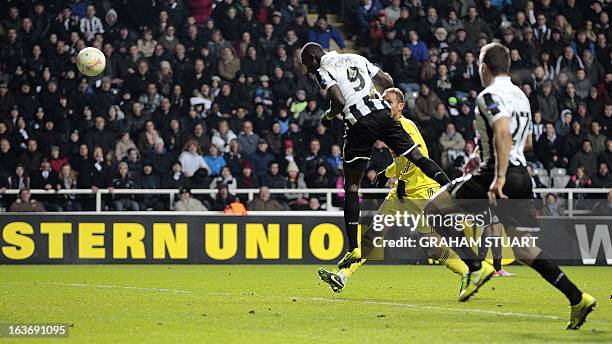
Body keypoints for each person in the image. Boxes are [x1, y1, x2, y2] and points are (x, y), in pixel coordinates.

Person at [424, 43, 595, 328]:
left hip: (497, 175)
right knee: (525, 251)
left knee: (433, 209)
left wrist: (497, 174)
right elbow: (524, 141)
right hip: (521, 175)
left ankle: (476, 267)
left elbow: (502, 130)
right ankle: (578, 299)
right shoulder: (521, 96)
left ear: (484, 67)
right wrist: (489, 155)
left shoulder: (488, 94)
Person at [300, 42, 449, 271]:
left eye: (307, 66)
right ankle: (455, 191)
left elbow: (338, 101)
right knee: (418, 156)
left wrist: (328, 116)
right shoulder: (356, 57)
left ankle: (353, 249)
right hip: (381, 114)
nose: (309, 70)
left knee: (351, 187)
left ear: (312, 58)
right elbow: (388, 81)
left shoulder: (323, 70)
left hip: (358, 124)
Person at [318, 88, 469, 293]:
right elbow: (400, 160)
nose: (384, 104)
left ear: (400, 106)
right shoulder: (387, 128)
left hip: (422, 192)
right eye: (382, 101)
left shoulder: (406, 126)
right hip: (400, 193)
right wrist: (388, 173)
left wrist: (389, 174)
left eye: (389, 101)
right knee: (373, 233)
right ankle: (343, 276)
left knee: (432, 248)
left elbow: (417, 158)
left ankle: (467, 272)